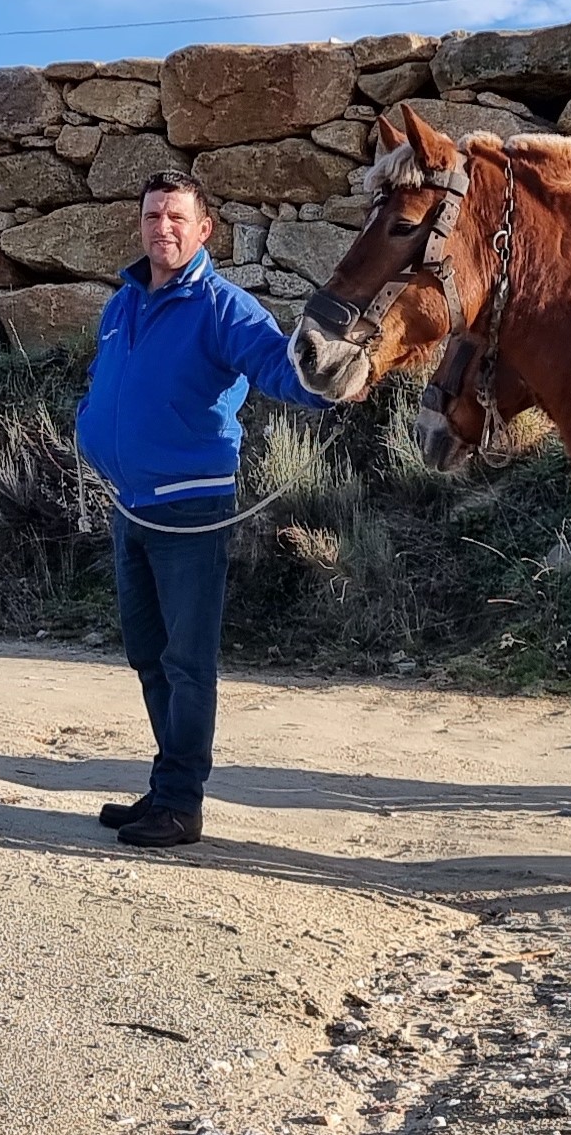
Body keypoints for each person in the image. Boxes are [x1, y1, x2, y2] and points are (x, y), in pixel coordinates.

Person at [73, 170, 331, 847]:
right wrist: (89, 424)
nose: (163, 227)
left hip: (191, 513)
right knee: (148, 654)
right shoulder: (122, 303)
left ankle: (182, 804)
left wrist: (329, 381)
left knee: (188, 660)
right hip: (130, 507)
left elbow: (279, 368)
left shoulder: (224, 307)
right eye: (153, 215)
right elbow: (106, 384)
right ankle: (165, 788)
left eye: (176, 217)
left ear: (204, 229)